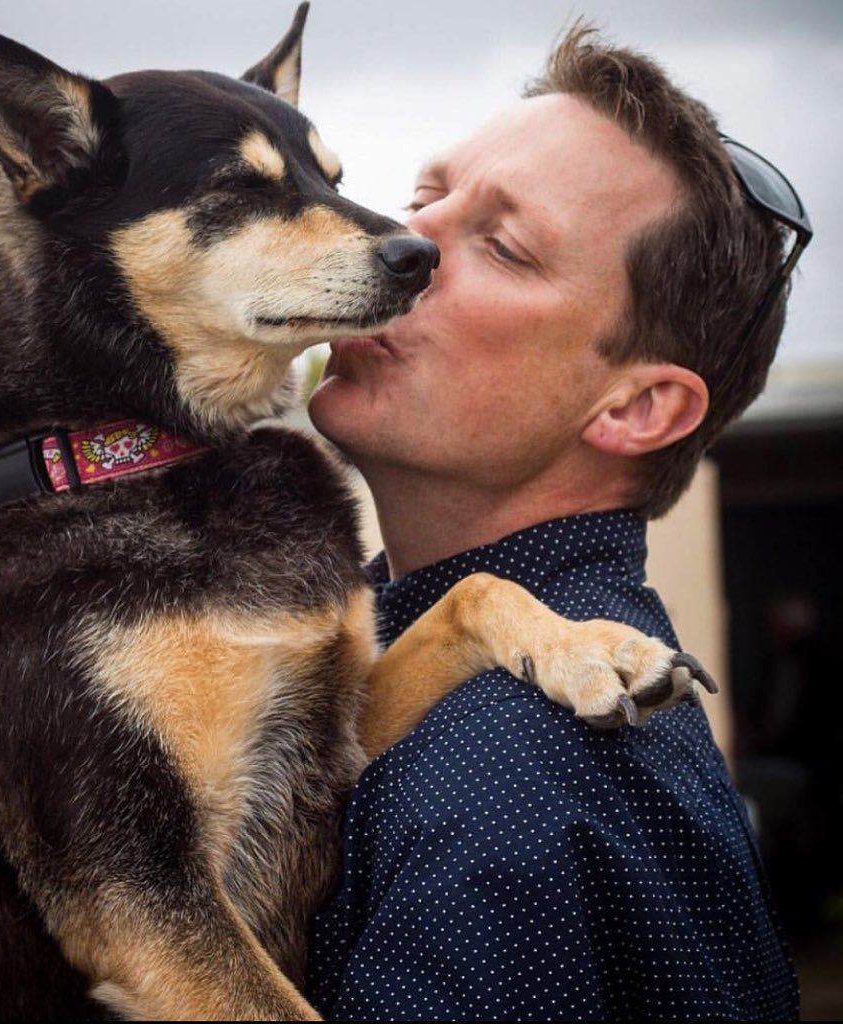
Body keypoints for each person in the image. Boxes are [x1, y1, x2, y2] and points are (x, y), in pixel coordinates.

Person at [304, 22, 805, 1021]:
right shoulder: (383, 645)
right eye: (421, 198)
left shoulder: (514, 766)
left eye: (501, 245)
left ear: (634, 409)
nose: (395, 241)